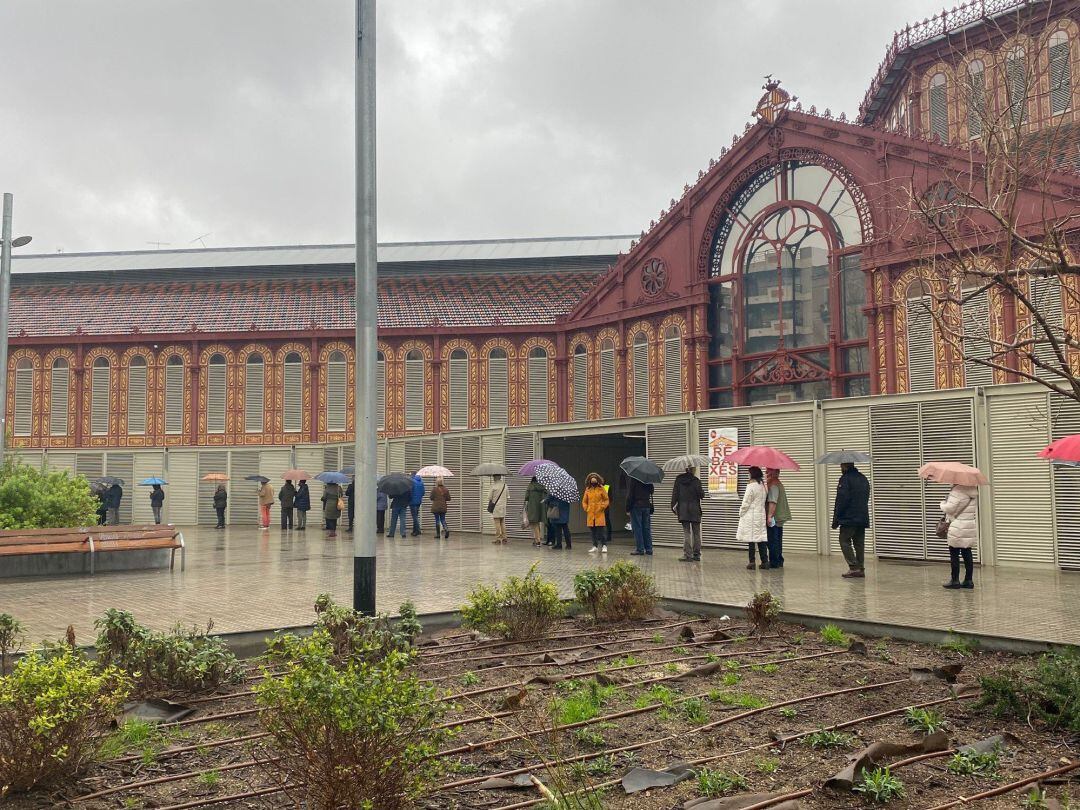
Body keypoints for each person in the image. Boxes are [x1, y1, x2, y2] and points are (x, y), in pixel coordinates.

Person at [832, 462, 871, 579]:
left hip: (849, 518)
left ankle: (854, 567)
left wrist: (836, 519)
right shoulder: (863, 478)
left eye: (841, 466)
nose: (840, 468)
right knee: (859, 543)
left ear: (845, 466)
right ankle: (861, 568)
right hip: (862, 516)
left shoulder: (845, 479)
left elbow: (841, 500)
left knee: (844, 540)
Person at [940, 483, 978, 590]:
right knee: (967, 552)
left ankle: (955, 580)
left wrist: (943, 503)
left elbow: (949, 508)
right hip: (969, 525)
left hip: (957, 526)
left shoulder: (957, 491)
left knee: (954, 553)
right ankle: (968, 580)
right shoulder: (973, 491)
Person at [671, 465, 705, 562]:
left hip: (683, 509)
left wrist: (673, 506)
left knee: (687, 532)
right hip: (695, 510)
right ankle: (697, 554)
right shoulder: (696, 481)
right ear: (693, 470)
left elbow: (675, 494)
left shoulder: (679, 479)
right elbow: (701, 495)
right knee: (696, 533)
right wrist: (702, 491)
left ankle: (687, 555)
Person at [738, 466, 769, 569]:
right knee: (761, 538)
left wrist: (741, 512)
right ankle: (765, 561)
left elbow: (746, 502)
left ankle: (752, 562)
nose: (748, 475)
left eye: (748, 473)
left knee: (751, 539)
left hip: (751, 516)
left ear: (752, 474)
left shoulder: (751, 486)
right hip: (761, 515)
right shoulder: (763, 486)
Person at [765, 468, 792, 569]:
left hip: (775, 516)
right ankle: (779, 560)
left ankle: (774, 562)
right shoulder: (778, 483)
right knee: (778, 539)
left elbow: (773, 501)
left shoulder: (774, 485)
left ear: (774, 472)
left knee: (772, 540)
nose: (766, 472)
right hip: (779, 516)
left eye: (768, 470)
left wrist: (769, 516)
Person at [582, 473, 610, 554]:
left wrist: (602, 507)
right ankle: (595, 546)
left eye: (594, 479)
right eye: (591, 480)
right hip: (591, 513)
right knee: (593, 531)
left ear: (597, 480)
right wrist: (586, 508)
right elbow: (584, 501)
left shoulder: (601, 489)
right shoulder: (587, 489)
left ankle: (604, 545)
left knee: (601, 531)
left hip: (599, 513)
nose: (593, 481)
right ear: (589, 481)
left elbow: (606, 500)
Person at [626, 476, 654, 556]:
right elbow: (652, 491)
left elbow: (630, 494)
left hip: (636, 506)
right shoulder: (648, 479)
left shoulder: (634, 478)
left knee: (637, 528)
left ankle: (640, 549)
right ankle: (649, 549)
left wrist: (627, 507)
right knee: (646, 528)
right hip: (646, 505)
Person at [525, 477, 547, 547]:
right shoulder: (542, 487)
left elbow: (526, 497)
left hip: (532, 507)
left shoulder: (530, 486)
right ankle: (536, 539)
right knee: (536, 524)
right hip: (540, 507)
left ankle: (538, 541)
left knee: (534, 524)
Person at [489, 473, 508, 544]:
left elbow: (489, 497)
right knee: (502, 522)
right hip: (503, 506)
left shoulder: (493, 486)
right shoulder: (505, 485)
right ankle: (504, 538)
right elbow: (508, 496)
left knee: (497, 522)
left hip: (496, 507)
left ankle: (497, 538)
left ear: (495, 477)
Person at [410, 472, 425, 537]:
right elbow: (423, 493)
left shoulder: (412, 482)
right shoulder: (421, 482)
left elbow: (410, 492)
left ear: (412, 475)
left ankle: (418, 530)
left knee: (414, 517)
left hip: (412, 502)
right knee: (415, 516)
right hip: (418, 502)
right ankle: (414, 531)